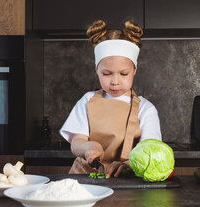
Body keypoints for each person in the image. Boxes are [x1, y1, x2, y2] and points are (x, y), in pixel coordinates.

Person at [60, 19, 162, 177]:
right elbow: (76, 143)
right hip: (84, 177)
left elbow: (150, 149)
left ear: (134, 70)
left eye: (123, 74)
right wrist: (88, 147)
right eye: (106, 74)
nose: (115, 81)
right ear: (97, 70)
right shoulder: (87, 101)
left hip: (126, 179)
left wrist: (130, 164)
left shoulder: (145, 109)